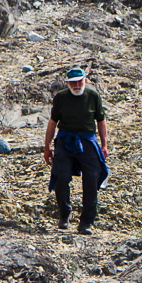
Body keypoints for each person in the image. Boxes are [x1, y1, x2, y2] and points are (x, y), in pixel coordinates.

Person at [44, 67, 109, 235]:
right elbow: (52, 123)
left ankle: (86, 222)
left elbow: (101, 121)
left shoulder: (93, 96)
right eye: (73, 83)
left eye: (80, 81)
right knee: (61, 175)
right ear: (68, 83)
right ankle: (65, 215)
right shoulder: (61, 98)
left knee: (92, 179)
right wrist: (47, 147)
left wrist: (104, 145)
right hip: (65, 140)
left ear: (85, 81)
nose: (77, 85)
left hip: (87, 140)